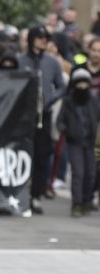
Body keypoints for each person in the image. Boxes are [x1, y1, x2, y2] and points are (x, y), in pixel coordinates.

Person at [18, 25, 66, 214]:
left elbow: (61, 86)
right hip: (23, 115)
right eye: (39, 37)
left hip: (43, 115)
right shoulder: (21, 60)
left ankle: (36, 195)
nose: (43, 40)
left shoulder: (52, 63)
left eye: (45, 37)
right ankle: (21, 193)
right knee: (23, 155)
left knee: (42, 155)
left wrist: (49, 99)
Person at [57, 69, 100, 217]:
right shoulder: (68, 101)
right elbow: (60, 121)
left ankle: (87, 200)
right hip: (74, 142)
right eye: (79, 84)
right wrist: (67, 131)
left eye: (84, 84)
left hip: (91, 142)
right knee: (78, 173)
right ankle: (77, 203)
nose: (82, 87)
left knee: (91, 173)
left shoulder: (93, 100)